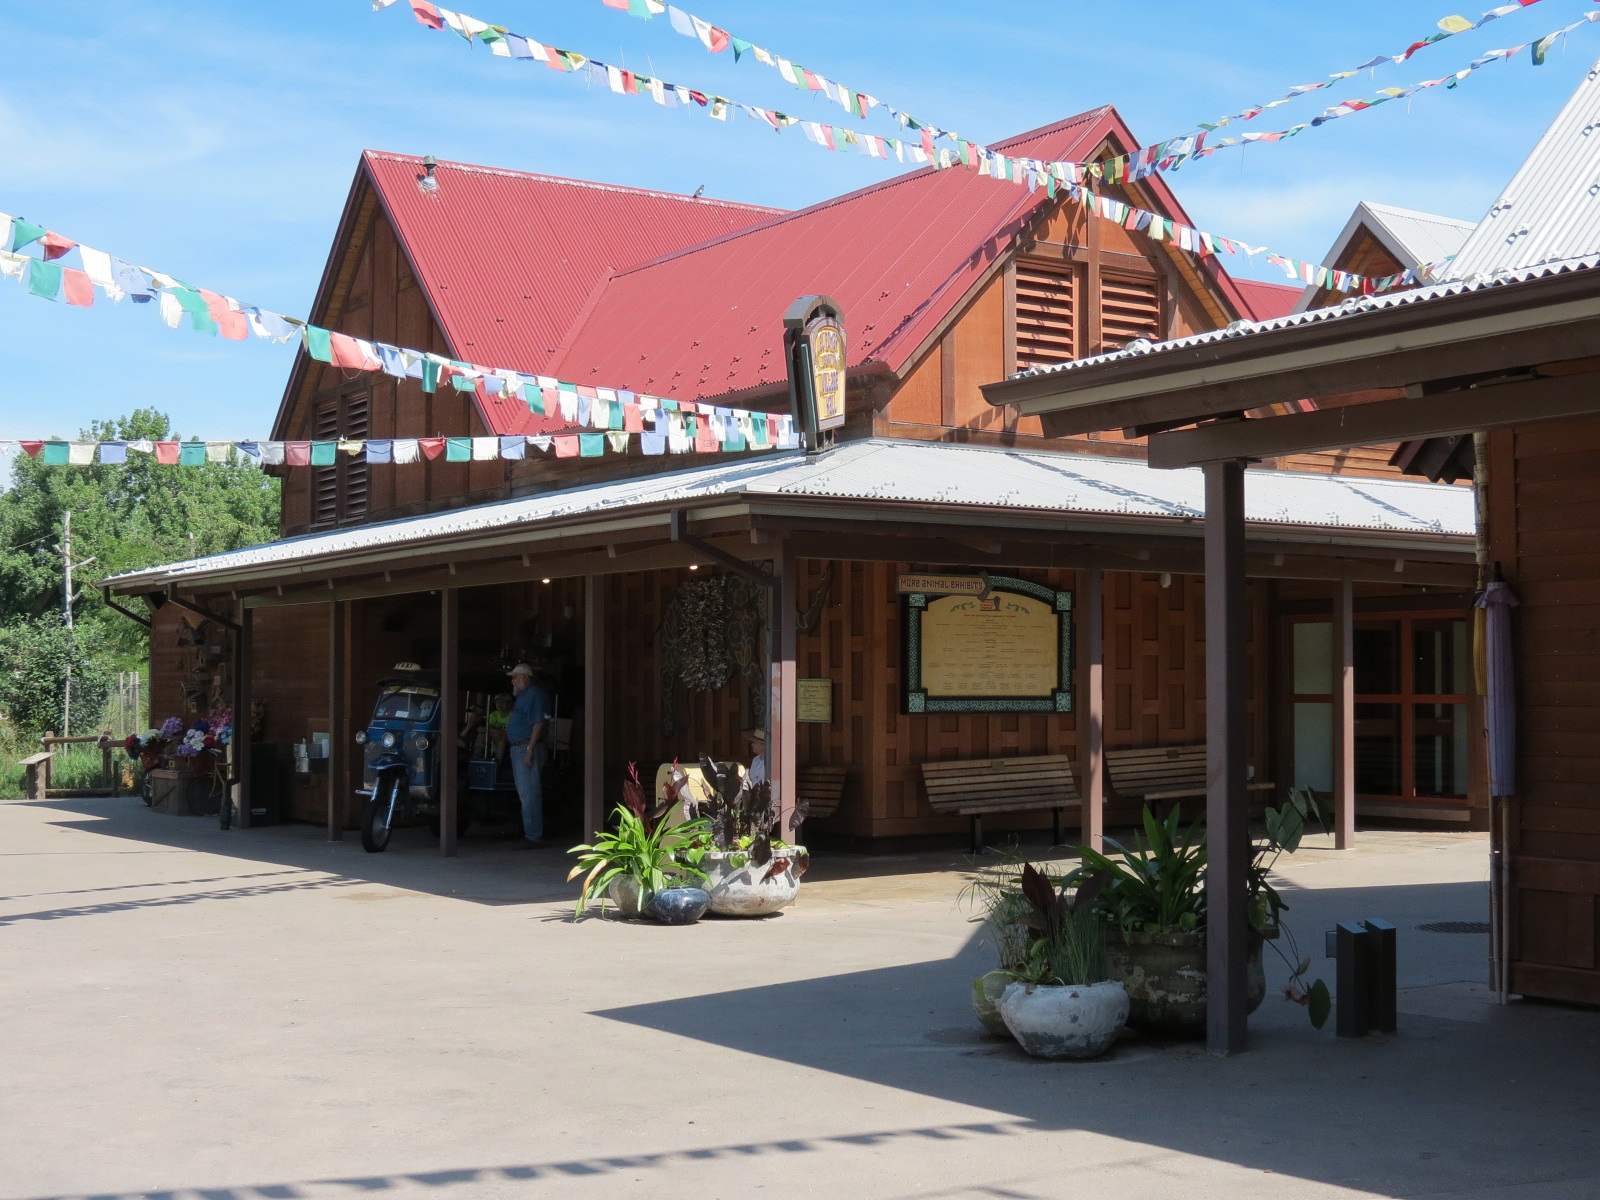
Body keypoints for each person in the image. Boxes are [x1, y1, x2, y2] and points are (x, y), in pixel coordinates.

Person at [505, 663, 550, 846]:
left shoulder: (533, 695)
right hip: (520, 748)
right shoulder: (525, 696)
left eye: (515, 677)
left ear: (525, 677)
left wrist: (530, 750)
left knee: (529, 794)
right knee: (526, 793)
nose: (512, 681)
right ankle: (530, 832)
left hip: (525, 748)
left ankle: (533, 836)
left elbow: (538, 723)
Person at [485, 693, 513, 763]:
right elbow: (488, 729)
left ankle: (497, 764)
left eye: (502, 702)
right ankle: (478, 758)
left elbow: (510, 732)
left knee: (502, 740)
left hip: (508, 740)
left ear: (508, 704)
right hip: (495, 737)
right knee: (482, 736)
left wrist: (499, 733)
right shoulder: (494, 715)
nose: (499, 704)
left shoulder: (512, 715)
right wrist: (499, 732)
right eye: (497, 702)